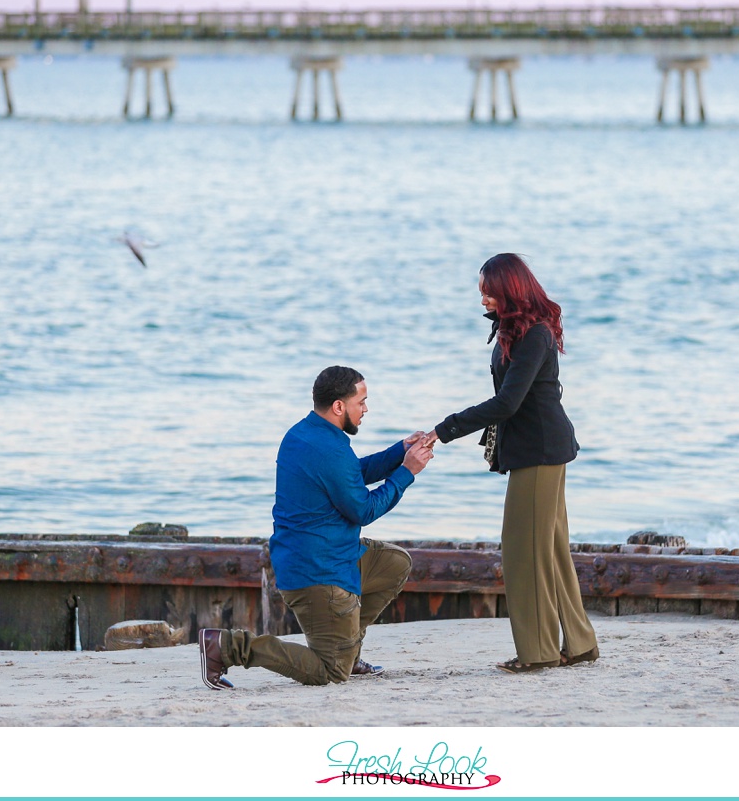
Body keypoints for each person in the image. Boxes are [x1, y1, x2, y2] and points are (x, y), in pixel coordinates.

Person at [199, 365, 433, 689]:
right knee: (329, 672)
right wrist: (407, 472)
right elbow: (363, 509)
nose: (366, 409)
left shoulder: (305, 434)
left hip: (321, 556)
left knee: (395, 563)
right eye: (361, 402)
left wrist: (399, 452)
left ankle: (348, 652)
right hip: (319, 573)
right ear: (339, 406)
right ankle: (229, 647)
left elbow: (349, 473)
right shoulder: (330, 449)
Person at [423, 253, 599, 674]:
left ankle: (538, 652)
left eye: (489, 290)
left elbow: (507, 403)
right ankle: (579, 643)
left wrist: (443, 429)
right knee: (550, 551)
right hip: (541, 448)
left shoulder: (534, 334)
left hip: (540, 451)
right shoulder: (516, 330)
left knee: (525, 551)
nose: (482, 297)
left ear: (510, 291)